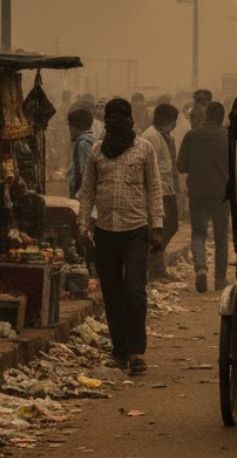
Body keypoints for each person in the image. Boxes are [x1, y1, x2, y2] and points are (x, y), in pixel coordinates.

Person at [76, 98, 164, 375]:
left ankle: (137, 351)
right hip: (105, 231)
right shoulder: (98, 152)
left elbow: (154, 189)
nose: (116, 121)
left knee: (134, 291)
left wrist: (157, 227)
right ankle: (120, 350)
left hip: (136, 230)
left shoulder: (144, 149)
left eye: (121, 116)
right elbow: (87, 191)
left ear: (130, 120)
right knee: (112, 294)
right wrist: (82, 227)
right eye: (111, 117)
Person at [177, 101, 231, 293]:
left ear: (207, 115)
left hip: (197, 192)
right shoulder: (228, 137)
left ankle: (200, 268)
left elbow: (181, 166)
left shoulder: (192, 136)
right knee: (221, 236)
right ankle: (219, 280)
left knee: (198, 233)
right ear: (222, 117)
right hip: (221, 194)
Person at [140, 103, 181, 281]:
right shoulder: (150, 137)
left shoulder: (164, 136)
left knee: (170, 226)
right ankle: (154, 268)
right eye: (173, 121)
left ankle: (157, 266)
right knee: (161, 228)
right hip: (157, 190)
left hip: (167, 188)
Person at [66, 107, 97, 198]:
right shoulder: (92, 140)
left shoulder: (83, 144)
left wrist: (78, 196)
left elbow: (86, 173)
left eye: (70, 127)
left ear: (74, 128)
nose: (69, 131)